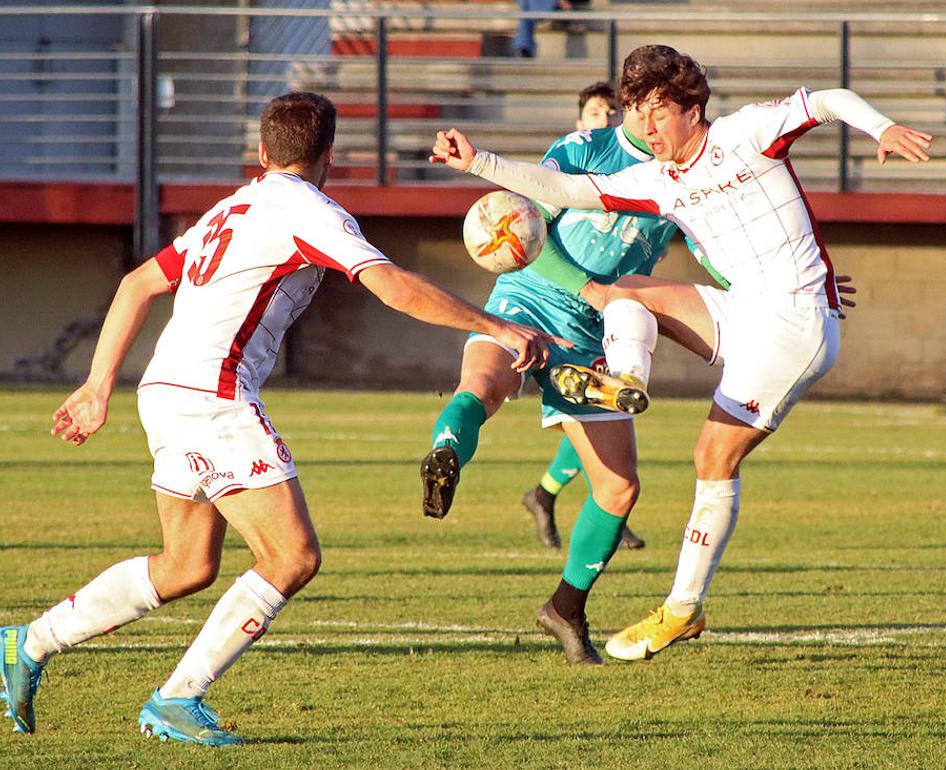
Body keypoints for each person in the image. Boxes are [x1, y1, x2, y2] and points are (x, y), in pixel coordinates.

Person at [0, 91, 556, 745]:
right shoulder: (310, 211)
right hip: (215, 396)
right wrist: (496, 325)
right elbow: (395, 287)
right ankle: (178, 699)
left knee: (186, 565)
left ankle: (28, 643)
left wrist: (99, 387)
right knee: (292, 556)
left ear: (263, 153)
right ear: (329, 157)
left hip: (165, 391)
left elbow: (136, 284)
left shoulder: (234, 206)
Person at [430, 44, 929, 662]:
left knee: (710, 457)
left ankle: (681, 609)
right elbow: (562, 188)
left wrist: (881, 127)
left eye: (658, 112)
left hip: (795, 327)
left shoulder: (747, 134)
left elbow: (825, 100)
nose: (645, 125)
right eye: (636, 110)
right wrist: (480, 161)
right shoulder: (657, 180)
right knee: (631, 293)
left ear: (694, 108)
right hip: (746, 311)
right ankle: (623, 379)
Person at [419, 82, 719, 664]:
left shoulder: (682, 173)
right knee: (480, 388)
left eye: (669, 111)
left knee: (618, 488)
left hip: (591, 331)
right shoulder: (585, 150)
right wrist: (589, 288)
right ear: (634, 105)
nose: (658, 124)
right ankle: (446, 454)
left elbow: (714, 255)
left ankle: (565, 609)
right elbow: (527, 232)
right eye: (649, 109)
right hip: (529, 299)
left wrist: (780, 291)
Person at [520, 81, 645, 552]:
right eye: (596, 111)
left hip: (603, 315)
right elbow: (530, 231)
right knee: (592, 407)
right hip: (554, 304)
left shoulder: (648, 173)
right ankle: (564, 497)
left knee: (600, 408)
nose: (606, 118)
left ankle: (553, 496)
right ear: (580, 122)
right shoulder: (576, 157)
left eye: (613, 110)